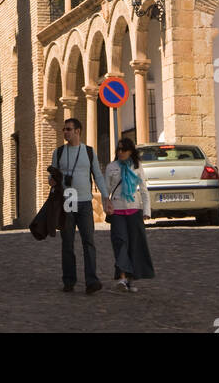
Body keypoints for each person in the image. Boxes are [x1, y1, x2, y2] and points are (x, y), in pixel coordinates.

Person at [50, 116, 110, 293]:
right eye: (64, 129)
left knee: (88, 241)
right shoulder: (59, 152)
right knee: (67, 242)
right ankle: (69, 281)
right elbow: (52, 173)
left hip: (84, 201)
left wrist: (106, 196)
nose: (65, 132)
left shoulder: (89, 152)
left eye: (68, 129)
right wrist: (51, 180)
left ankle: (91, 281)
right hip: (67, 200)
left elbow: (98, 175)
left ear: (78, 131)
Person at [105, 137, 155, 292]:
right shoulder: (111, 167)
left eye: (123, 150)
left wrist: (146, 211)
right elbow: (105, 191)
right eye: (118, 149)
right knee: (120, 243)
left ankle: (129, 280)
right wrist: (107, 206)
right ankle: (121, 278)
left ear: (130, 151)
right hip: (117, 210)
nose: (120, 152)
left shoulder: (137, 166)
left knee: (134, 245)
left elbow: (144, 190)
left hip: (134, 210)